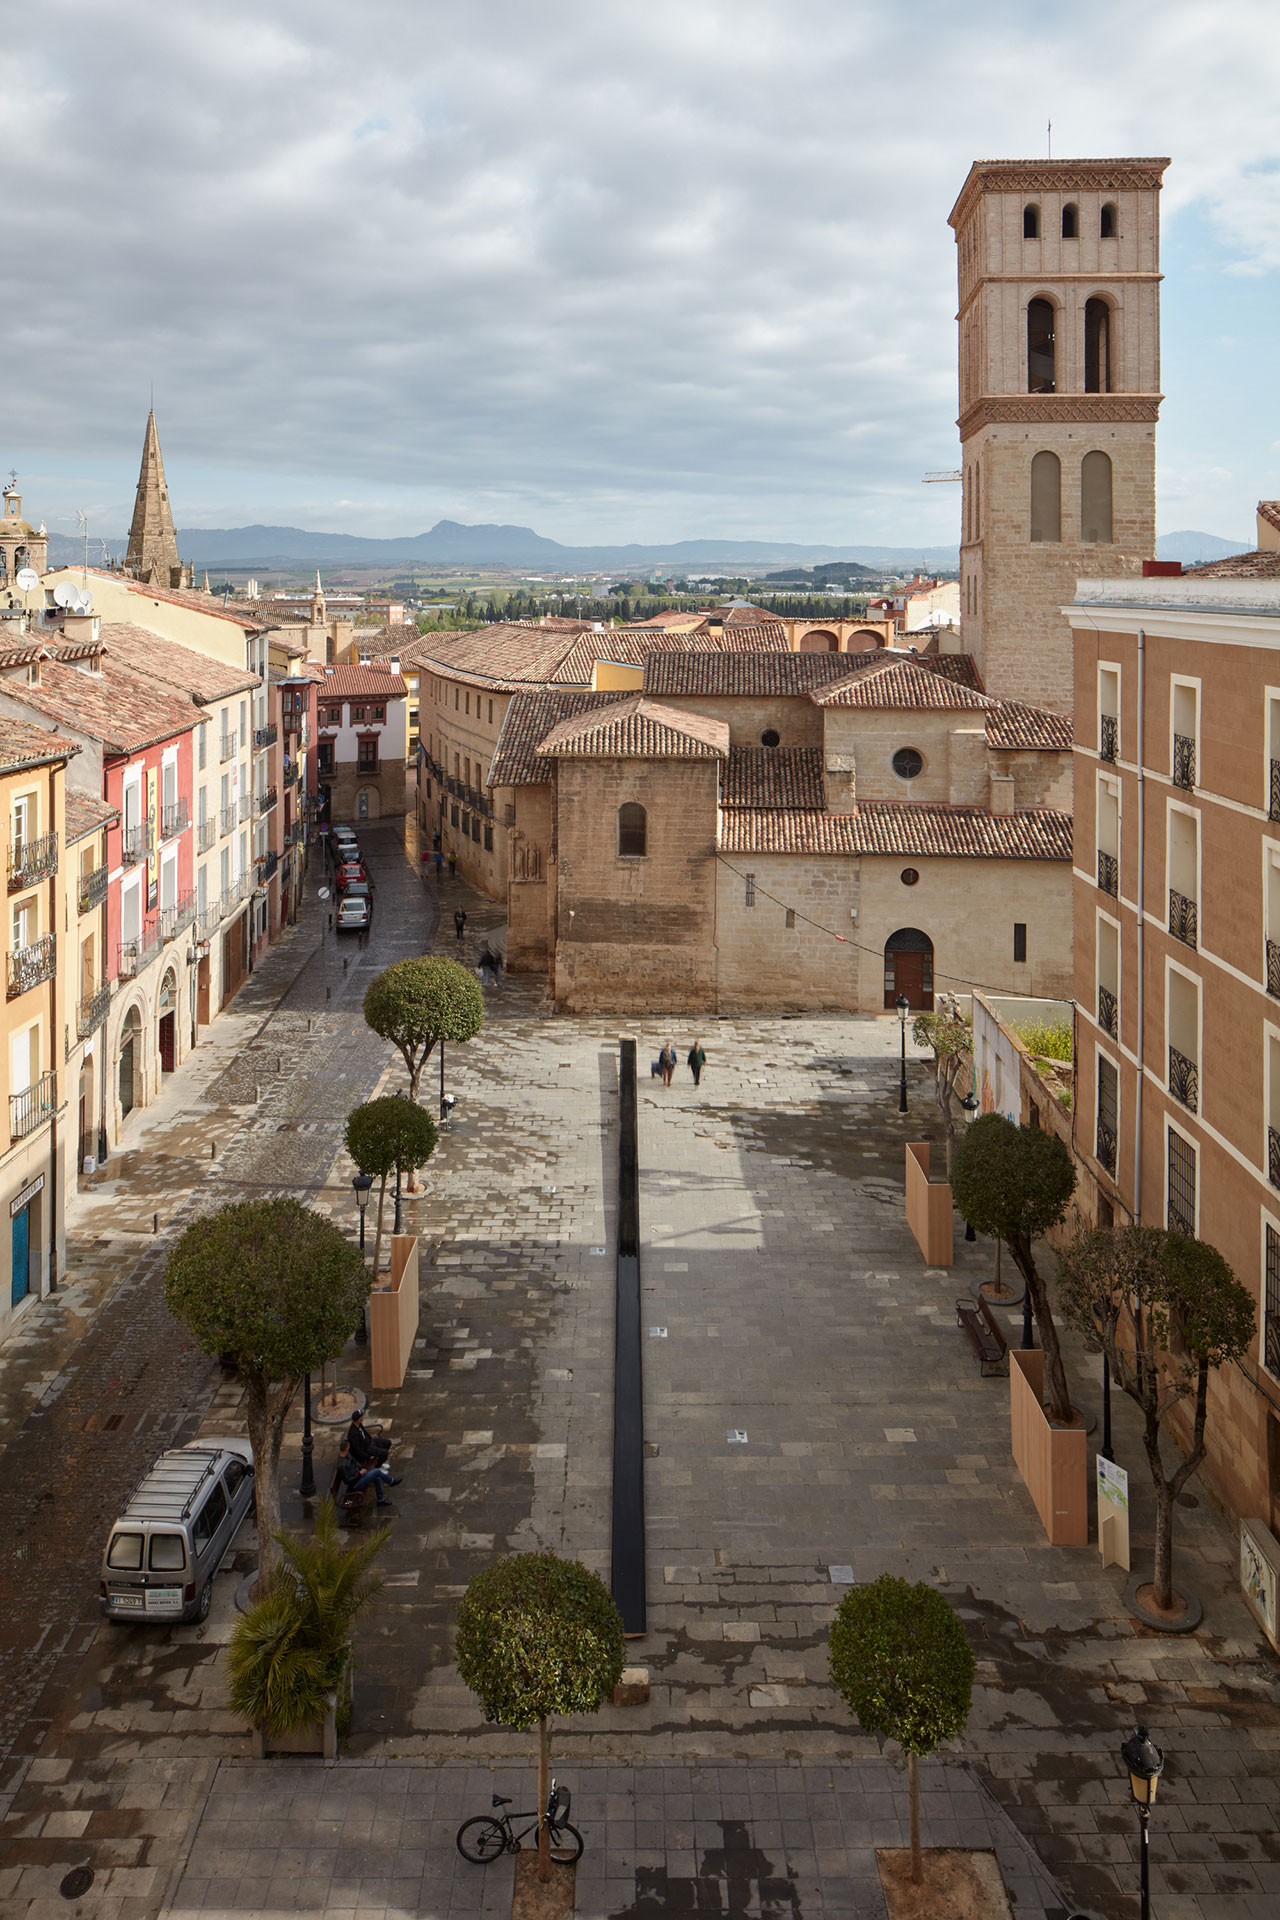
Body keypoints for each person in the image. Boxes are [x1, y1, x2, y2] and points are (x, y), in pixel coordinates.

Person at [336, 1437, 399, 1507]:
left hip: (361, 1474)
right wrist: (359, 1473)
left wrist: (361, 1468)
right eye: (349, 1447)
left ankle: (381, 1499)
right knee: (377, 1471)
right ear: (346, 1449)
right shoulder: (341, 1466)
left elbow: (355, 1462)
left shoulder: (347, 1454)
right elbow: (347, 1481)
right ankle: (391, 1481)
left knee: (377, 1477)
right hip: (356, 1483)